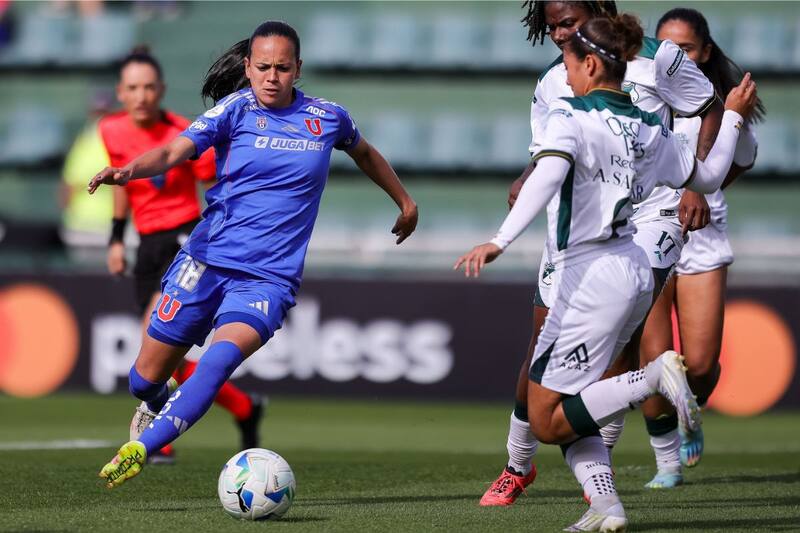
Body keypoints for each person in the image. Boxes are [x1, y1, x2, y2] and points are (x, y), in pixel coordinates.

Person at [455, 13, 757, 529]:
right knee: (575, 408)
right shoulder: (649, 127)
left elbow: (546, 177)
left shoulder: (570, 116)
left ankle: (653, 377)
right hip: (634, 270)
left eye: (569, 62)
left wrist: (499, 239)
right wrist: (729, 116)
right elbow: (707, 177)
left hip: (587, 277)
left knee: (546, 417)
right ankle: (606, 505)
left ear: (591, 64)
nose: (563, 72)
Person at [92, 20, 418, 488]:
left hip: (267, 279)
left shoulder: (328, 117)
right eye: (262, 66)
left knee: (216, 363)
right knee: (144, 380)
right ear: (247, 67)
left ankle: (143, 446)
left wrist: (405, 201)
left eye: (282, 68)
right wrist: (129, 172)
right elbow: (172, 153)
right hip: (204, 262)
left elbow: (365, 153)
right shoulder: (234, 110)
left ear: (297, 68)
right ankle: (151, 402)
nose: (271, 77)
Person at [99, 46, 266, 463]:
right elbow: (123, 183)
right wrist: (117, 238)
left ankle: (160, 440)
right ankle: (245, 407)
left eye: (150, 87)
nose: (142, 96)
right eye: (134, 88)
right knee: (160, 359)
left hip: (184, 237)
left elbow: (218, 180)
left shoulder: (182, 129)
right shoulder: (112, 130)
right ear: (121, 92)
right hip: (146, 242)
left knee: (153, 337)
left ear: (162, 90)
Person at [637, 7, 763, 478]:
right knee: (656, 363)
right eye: (668, 46)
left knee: (702, 367)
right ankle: (667, 465)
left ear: (704, 52)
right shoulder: (641, 94)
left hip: (700, 241)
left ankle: (694, 405)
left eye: (686, 48)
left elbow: (744, 158)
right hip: (646, 234)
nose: (675, 55)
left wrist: (704, 188)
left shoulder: (723, 106)